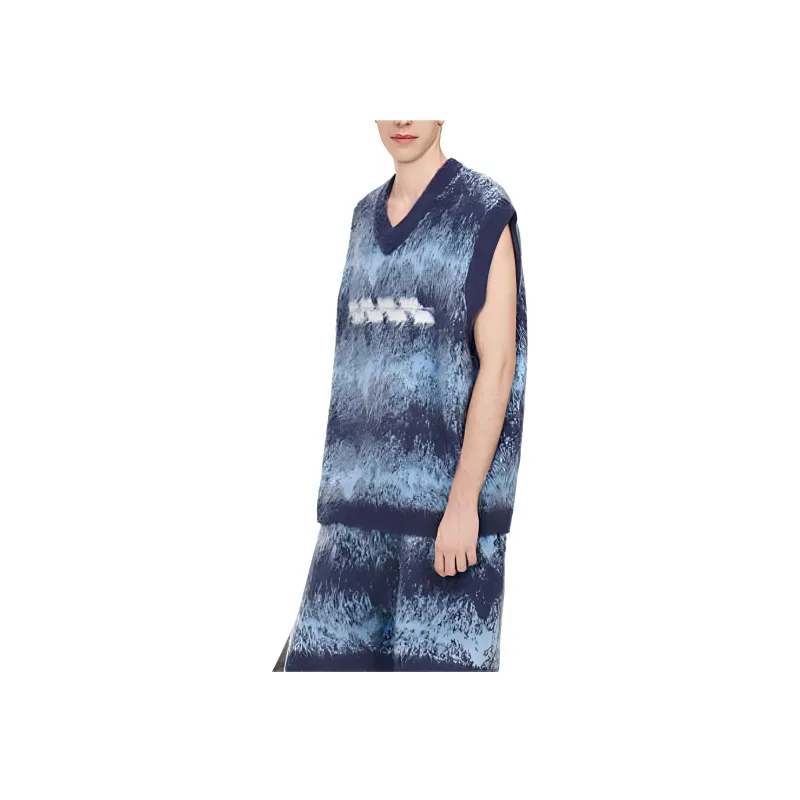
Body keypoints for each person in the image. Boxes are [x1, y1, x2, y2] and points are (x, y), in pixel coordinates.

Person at [278, 120, 527, 671]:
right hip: (352, 517)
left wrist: (463, 504)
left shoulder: (482, 210)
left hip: (446, 526)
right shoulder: (363, 217)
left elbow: (499, 365)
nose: (403, 119)